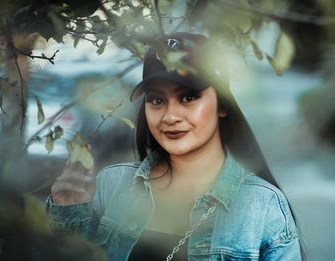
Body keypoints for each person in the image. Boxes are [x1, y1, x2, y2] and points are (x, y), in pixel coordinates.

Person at [47, 32, 302, 261]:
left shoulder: (261, 204)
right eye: (157, 100)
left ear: (222, 105)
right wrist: (68, 215)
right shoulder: (111, 184)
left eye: (188, 97)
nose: (170, 116)